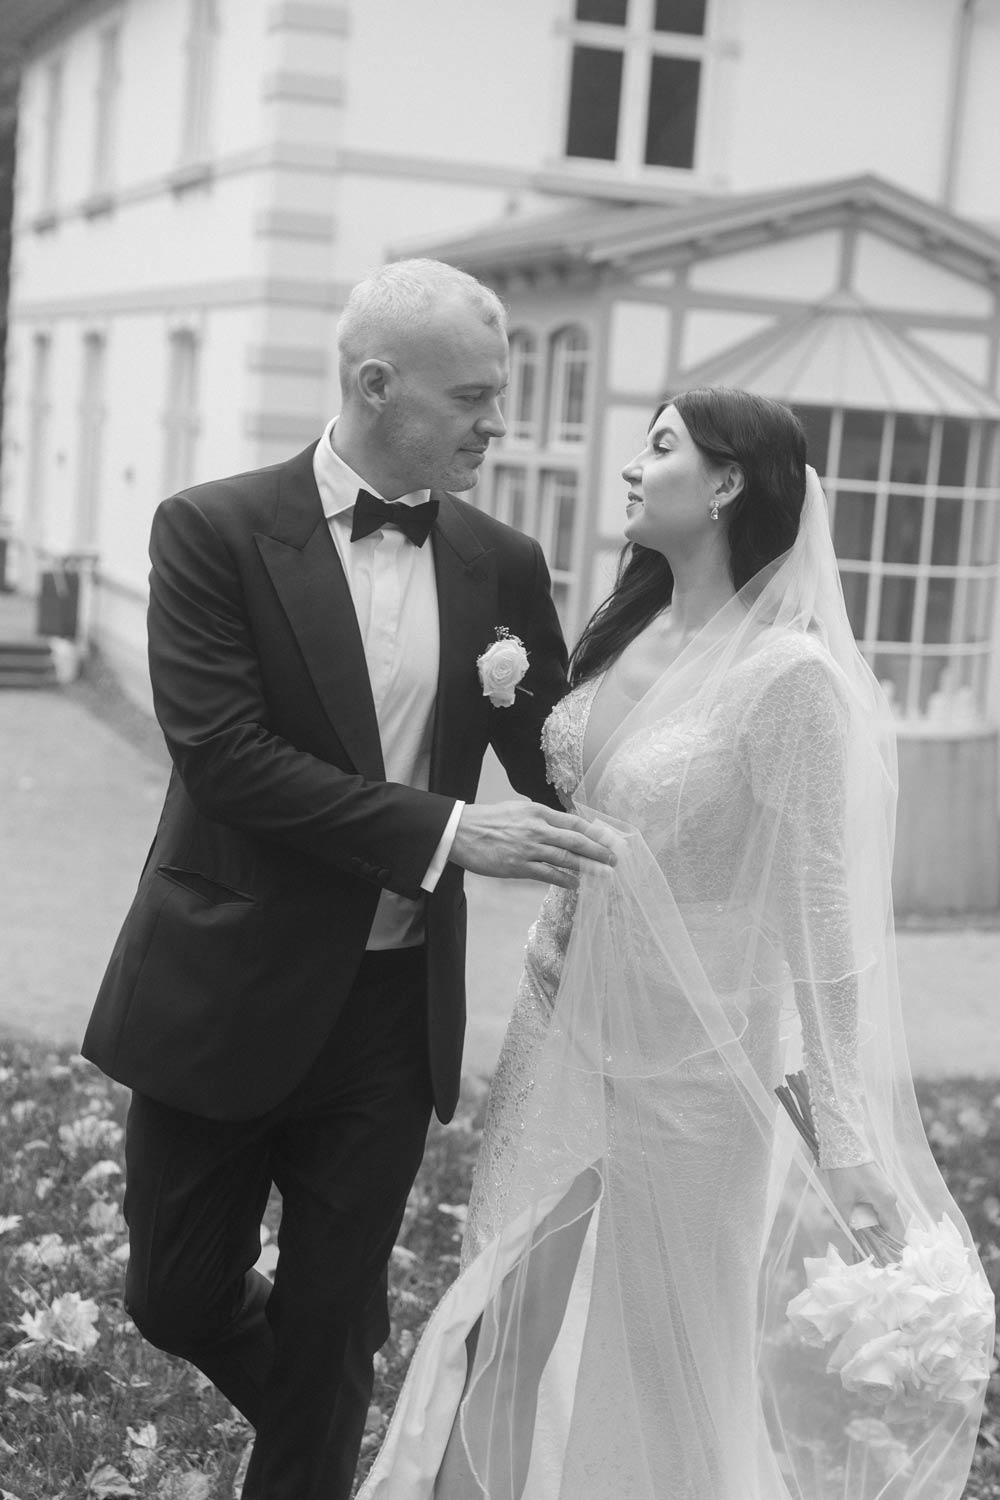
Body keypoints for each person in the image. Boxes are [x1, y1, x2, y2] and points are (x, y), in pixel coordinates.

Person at [359, 387, 994, 1500]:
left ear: (730, 482)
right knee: (497, 1322)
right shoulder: (627, 630)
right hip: (557, 1030)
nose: (630, 468)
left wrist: (847, 1139)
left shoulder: (789, 679)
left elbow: (823, 921)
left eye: (659, 448)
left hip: (694, 1066)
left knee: (662, 1357)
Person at [80, 257, 615, 1500]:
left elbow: (549, 760)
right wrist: (445, 833)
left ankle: (333, 1444)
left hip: (389, 1013)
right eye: (474, 396)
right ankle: (375, 1445)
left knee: (334, 1330)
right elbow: (224, 760)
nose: (500, 422)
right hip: (225, 985)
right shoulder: (211, 529)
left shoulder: (503, 558)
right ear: (377, 386)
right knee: (173, 1294)